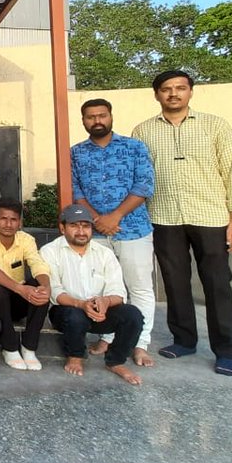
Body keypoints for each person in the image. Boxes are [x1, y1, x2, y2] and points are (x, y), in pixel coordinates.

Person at [133, 70, 232, 376]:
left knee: (217, 284)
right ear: (157, 94)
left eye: (180, 88)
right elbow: (140, 177)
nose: (173, 94)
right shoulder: (143, 131)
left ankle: (225, 351)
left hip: (210, 216)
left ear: (190, 92)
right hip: (163, 217)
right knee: (175, 282)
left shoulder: (215, 126)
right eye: (166, 89)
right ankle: (183, 339)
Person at [71, 98, 157, 367]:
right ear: (83, 120)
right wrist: (97, 220)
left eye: (102, 115)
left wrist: (115, 217)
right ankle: (108, 337)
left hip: (133, 229)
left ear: (111, 116)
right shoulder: (76, 153)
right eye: (90, 117)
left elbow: (144, 186)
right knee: (105, 287)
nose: (97, 121)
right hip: (96, 233)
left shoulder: (134, 147)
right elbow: (76, 191)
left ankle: (140, 344)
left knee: (139, 287)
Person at [43, 204, 146, 386]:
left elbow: (118, 292)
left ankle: (116, 361)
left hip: (100, 311)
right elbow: (55, 291)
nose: (81, 231)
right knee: (73, 316)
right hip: (67, 310)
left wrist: (105, 301)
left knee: (133, 315)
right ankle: (75, 356)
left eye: (86, 226)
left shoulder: (104, 253)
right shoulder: (49, 251)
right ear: (62, 228)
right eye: (75, 226)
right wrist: (81, 304)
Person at [0, 197, 52, 372]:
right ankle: (9, 347)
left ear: (20, 222)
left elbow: (37, 263)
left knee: (39, 287)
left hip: (16, 299)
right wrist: (20, 288)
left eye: (13, 219)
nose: (8, 224)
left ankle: (29, 347)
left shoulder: (26, 239)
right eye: (3, 218)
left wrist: (46, 288)